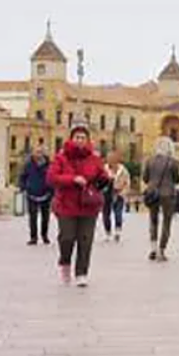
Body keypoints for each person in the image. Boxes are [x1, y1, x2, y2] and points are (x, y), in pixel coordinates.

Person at [48, 122, 108, 286]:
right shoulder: (61, 157)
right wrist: (72, 179)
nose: (80, 140)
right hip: (66, 205)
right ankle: (65, 262)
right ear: (71, 139)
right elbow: (52, 178)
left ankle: (82, 273)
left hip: (89, 205)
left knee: (85, 240)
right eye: (77, 137)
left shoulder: (94, 158)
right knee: (66, 238)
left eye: (83, 137)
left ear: (87, 140)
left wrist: (103, 179)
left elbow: (102, 175)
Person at [142, 137, 179, 261]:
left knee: (153, 220)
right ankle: (161, 250)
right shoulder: (173, 162)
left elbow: (145, 178)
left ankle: (153, 248)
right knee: (166, 222)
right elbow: (177, 179)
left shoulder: (149, 161)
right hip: (168, 194)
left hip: (152, 193)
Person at [20, 146, 53, 245]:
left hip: (46, 194)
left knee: (45, 217)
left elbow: (53, 178)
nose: (39, 154)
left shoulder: (49, 165)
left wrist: (52, 191)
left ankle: (44, 235)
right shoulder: (28, 165)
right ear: (33, 153)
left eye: (41, 152)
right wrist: (23, 187)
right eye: (37, 152)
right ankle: (33, 237)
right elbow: (23, 176)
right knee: (33, 217)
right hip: (32, 194)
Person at [102, 151, 130, 242]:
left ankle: (118, 231)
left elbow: (127, 183)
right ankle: (108, 232)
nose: (110, 160)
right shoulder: (103, 169)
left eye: (112, 158)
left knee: (118, 213)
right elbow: (98, 181)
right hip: (106, 194)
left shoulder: (123, 170)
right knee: (106, 214)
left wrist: (123, 193)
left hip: (119, 193)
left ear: (117, 159)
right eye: (108, 158)